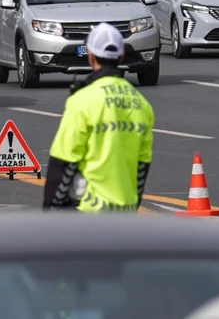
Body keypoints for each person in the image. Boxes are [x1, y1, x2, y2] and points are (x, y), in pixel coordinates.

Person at [43, 23, 154, 212]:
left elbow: (64, 163)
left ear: (91, 56)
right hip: (124, 215)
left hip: (88, 215)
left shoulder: (82, 100)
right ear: (121, 56)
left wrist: (51, 214)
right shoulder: (141, 104)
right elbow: (141, 167)